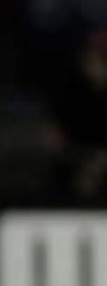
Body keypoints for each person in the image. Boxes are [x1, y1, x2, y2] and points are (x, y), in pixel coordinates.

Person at [45, 29, 107, 201]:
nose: (95, 64)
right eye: (92, 57)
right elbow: (56, 137)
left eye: (102, 59)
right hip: (76, 157)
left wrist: (99, 162)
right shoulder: (72, 90)